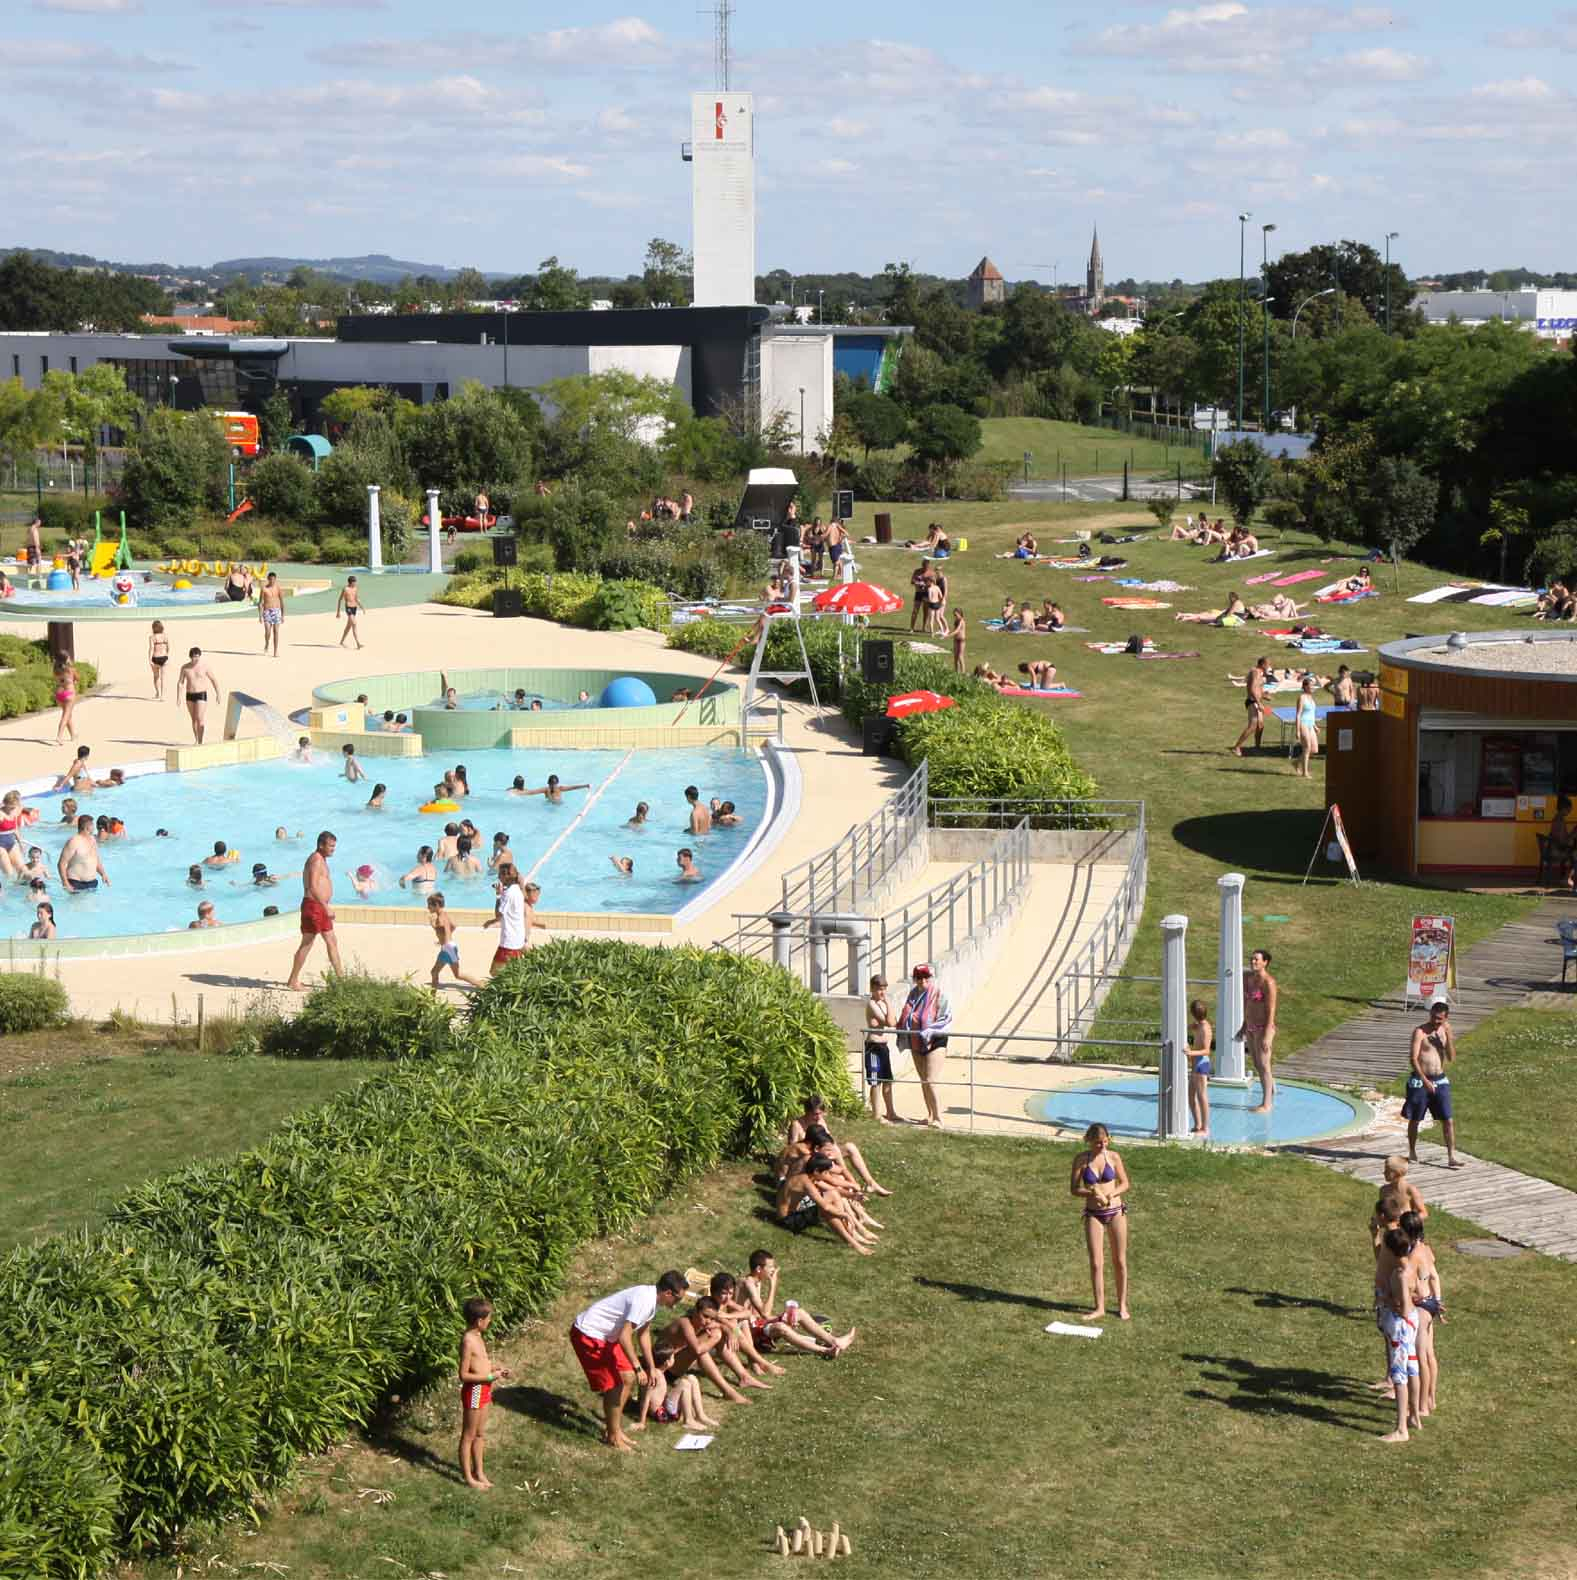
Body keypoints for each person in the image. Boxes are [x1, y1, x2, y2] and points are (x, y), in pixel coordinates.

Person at [569, 1271, 688, 1452]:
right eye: (678, 1299)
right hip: (589, 1334)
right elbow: (625, 1337)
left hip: (607, 1336)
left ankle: (614, 1430)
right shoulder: (645, 1301)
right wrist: (638, 1367)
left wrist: (651, 1367)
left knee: (628, 1378)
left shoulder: (652, 1300)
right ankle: (613, 1436)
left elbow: (644, 1334)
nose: (677, 1304)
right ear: (668, 1293)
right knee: (615, 1384)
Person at [740, 1250, 855, 1357]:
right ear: (759, 1269)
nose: (773, 1270)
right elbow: (765, 1314)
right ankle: (825, 1351)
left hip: (757, 1325)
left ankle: (834, 1341)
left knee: (798, 1313)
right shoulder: (748, 1283)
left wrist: (783, 1317)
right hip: (749, 1334)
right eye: (770, 1267)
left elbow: (761, 1317)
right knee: (781, 1327)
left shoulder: (756, 1281)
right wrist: (773, 1285)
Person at [1070, 1122, 1131, 1321]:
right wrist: (1092, 1192)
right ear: (1088, 1141)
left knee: (1119, 1260)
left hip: (1115, 1211)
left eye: (1105, 1142)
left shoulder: (1113, 1157)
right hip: (1093, 1214)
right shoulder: (1081, 1160)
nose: (1102, 1146)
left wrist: (1111, 1193)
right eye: (1098, 1143)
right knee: (1096, 1263)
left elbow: (1125, 1183)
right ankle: (1100, 1307)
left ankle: (1122, 1305)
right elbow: (1074, 1189)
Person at [457, 1295, 510, 1490]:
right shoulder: (468, 1341)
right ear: (479, 1321)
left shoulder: (478, 1336)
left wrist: (496, 1369)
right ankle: (469, 1478)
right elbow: (463, 1375)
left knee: (480, 1434)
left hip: (485, 1387)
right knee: (469, 1434)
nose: (490, 1321)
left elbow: (481, 1363)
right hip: (476, 1389)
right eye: (489, 1318)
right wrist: (489, 1378)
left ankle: (479, 1471)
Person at [1377, 1227, 1422, 1442]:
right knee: (1412, 1367)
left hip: (1402, 1326)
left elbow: (1404, 1308)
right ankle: (1414, 1416)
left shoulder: (1400, 1274)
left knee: (1399, 1376)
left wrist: (1387, 1299)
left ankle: (1401, 1429)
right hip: (1413, 1322)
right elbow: (1421, 1293)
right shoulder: (1413, 1266)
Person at [1405, 998, 1461, 1168]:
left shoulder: (1444, 1031)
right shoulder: (1420, 1032)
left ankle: (1451, 1156)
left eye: (1440, 1019)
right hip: (1421, 1080)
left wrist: (1448, 1038)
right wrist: (1425, 1081)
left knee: (1448, 1119)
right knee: (1415, 1119)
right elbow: (1413, 1059)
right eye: (1434, 1017)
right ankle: (1412, 1151)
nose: (1436, 1021)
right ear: (1430, 1014)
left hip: (1440, 1079)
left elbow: (1451, 1057)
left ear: (1446, 1018)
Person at [286, 830, 343, 991]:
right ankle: (293, 980)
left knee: (332, 941)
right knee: (307, 943)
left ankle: (341, 980)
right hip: (314, 906)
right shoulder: (316, 860)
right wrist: (325, 907)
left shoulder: (322, 859)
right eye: (330, 846)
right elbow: (311, 886)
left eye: (334, 846)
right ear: (321, 845)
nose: (333, 849)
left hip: (320, 906)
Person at [895, 962, 949, 1127]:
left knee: (930, 1080)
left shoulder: (939, 994)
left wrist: (930, 1030)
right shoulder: (912, 995)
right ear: (914, 979)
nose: (922, 980)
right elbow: (907, 1016)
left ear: (930, 978)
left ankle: (939, 1117)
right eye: (919, 977)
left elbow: (946, 1018)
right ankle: (930, 1114)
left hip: (935, 1040)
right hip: (916, 1040)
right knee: (923, 1080)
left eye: (925, 977)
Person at [1401, 1209, 1444, 1417]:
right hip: (1431, 1305)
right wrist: (1438, 1301)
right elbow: (1434, 1276)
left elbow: (1408, 1283)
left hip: (1421, 1307)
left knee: (1420, 1359)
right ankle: (1431, 1399)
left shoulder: (1413, 1255)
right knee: (1429, 1355)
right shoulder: (1426, 1249)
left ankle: (1422, 1407)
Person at [1240, 947, 1279, 1111]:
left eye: (1257, 959)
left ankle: (1266, 1104)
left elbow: (1271, 1009)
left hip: (1264, 1028)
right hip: (1250, 1026)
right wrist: (1244, 1025)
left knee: (1263, 1065)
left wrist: (1267, 1035)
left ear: (1265, 962)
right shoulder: (1247, 978)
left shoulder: (1268, 983)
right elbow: (1246, 1003)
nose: (1253, 961)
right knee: (1257, 1063)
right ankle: (1271, 1087)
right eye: (1252, 959)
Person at [427, 891, 487, 990]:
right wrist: (443, 939)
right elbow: (453, 926)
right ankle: (480, 984)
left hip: (448, 948)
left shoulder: (440, 918)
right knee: (438, 972)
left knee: (454, 974)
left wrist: (433, 924)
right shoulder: (444, 914)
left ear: (436, 905)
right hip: (449, 947)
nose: (428, 907)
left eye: (429, 905)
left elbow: (441, 928)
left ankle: (481, 985)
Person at [862, 973, 900, 1124]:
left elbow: (893, 1021)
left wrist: (888, 1003)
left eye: (884, 989)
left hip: (883, 1046)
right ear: (872, 989)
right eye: (879, 989)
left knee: (887, 1080)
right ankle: (877, 1115)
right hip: (873, 1046)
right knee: (875, 1081)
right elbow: (890, 1022)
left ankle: (891, 1112)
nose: (882, 992)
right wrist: (889, 1007)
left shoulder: (884, 1003)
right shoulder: (871, 1004)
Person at [485, 862, 527, 971]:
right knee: (511, 971)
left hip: (509, 941)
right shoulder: (517, 889)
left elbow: (499, 915)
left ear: (506, 876)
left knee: (495, 972)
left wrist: (498, 895)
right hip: (518, 938)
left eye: (500, 874)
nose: (498, 877)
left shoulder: (508, 894)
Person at [175, 647, 221, 745]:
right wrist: (178, 697)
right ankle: (196, 739)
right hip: (190, 695)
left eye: (197, 657)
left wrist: (218, 694)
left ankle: (201, 741)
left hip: (201, 694)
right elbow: (180, 683)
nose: (196, 659)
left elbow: (214, 680)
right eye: (194, 657)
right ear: (190, 657)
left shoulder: (205, 666)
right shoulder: (185, 668)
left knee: (200, 718)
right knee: (194, 719)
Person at [57, 814, 109, 895]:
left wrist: (103, 874)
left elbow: (96, 859)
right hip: (76, 884)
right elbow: (61, 863)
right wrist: (65, 883)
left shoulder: (92, 840)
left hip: (92, 883)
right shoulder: (73, 841)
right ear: (87, 827)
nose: (94, 827)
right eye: (92, 825)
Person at [1231, 656, 1270, 757]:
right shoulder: (1256, 672)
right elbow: (1252, 688)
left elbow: (1258, 689)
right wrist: (1259, 702)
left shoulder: (1260, 673)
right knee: (1253, 726)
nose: (1269, 666)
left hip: (1257, 701)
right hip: (1253, 702)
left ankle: (1257, 748)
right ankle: (1236, 747)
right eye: (1268, 664)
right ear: (1263, 664)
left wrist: (1265, 695)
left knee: (1260, 726)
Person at [1187, 998, 1212, 1137]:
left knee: (1202, 1096)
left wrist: (1191, 1052)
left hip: (1202, 1063)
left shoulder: (1206, 1029)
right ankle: (1197, 1124)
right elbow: (1188, 1028)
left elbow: (1207, 1050)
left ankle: (1205, 1127)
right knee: (1191, 1096)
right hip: (1195, 1064)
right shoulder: (1199, 1025)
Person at [1293, 675, 1320, 777]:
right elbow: (1298, 714)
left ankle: (1296, 762)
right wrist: (1297, 731)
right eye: (1311, 686)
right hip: (1303, 724)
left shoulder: (1311, 698)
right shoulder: (1302, 697)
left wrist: (1315, 726)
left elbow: (1311, 714)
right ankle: (1305, 772)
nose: (1313, 687)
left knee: (1314, 749)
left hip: (1310, 724)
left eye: (1313, 686)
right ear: (1305, 687)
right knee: (1307, 747)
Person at [258, 572, 286, 657]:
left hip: (277, 611)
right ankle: (266, 644)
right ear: (268, 579)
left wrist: (283, 615)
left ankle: (275, 651)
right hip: (267, 611)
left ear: (275, 579)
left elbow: (282, 601)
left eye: (273, 579)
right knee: (268, 631)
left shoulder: (278, 588)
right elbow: (260, 603)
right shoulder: (264, 589)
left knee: (276, 631)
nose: (272, 581)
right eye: (270, 579)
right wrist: (260, 615)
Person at [53, 657, 79, 745]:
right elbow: (77, 679)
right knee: (65, 716)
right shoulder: (71, 670)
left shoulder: (56, 670)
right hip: (69, 693)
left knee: (68, 715)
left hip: (59, 694)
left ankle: (73, 735)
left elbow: (58, 680)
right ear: (66, 660)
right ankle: (59, 736)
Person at [516, 774, 590, 804]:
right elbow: (532, 792)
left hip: (560, 805)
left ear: (557, 783)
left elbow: (573, 787)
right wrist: (519, 793)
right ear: (548, 783)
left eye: (555, 784)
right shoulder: (546, 790)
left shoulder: (560, 788)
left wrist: (585, 785)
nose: (553, 786)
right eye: (552, 784)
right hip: (549, 806)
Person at [336, 575, 363, 649]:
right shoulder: (345, 589)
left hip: (354, 608)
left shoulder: (355, 588)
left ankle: (341, 642)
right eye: (354, 582)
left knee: (349, 626)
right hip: (348, 608)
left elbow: (357, 598)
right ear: (350, 582)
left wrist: (362, 607)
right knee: (354, 623)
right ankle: (358, 643)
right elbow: (340, 600)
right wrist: (338, 612)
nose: (355, 583)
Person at [148, 619, 170, 698]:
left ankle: (158, 693)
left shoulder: (152, 637)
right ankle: (162, 696)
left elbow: (151, 648)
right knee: (163, 678)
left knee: (156, 677)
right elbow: (168, 647)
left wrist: (149, 659)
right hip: (164, 657)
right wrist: (166, 655)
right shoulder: (165, 636)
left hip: (155, 658)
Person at [909, 560, 931, 631]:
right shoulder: (917, 571)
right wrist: (917, 583)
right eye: (924, 566)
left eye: (926, 567)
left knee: (926, 611)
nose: (925, 568)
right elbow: (912, 581)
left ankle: (924, 627)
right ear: (922, 565)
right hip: (918, 593)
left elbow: (934, 583)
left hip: (926, 593)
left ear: (928, 566)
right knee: (915, 610)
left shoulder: (931, 573)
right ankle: (912, 628)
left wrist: (926, 584)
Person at [949, 607, 967, 674]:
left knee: (960, 656)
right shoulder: (956, 621)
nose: (955, 617)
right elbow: (954, 629)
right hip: (956, 640)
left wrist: (948, 635)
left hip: (961, 640)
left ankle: (963, 672)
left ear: (960, 614)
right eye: (954, 615)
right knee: (955, 657)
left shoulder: (962, 621)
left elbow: (957, 630)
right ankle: (956, 672)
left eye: (956, 615)